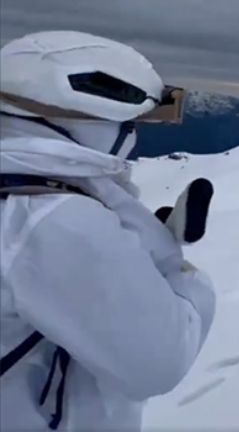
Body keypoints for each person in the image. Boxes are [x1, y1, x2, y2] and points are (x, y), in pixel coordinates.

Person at [0, 31, 216, 431]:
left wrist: (135, 237)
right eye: (130, 122)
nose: (133, 136)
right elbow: (158, 361)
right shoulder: (54, 221)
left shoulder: (26, 196)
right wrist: (176, 270)